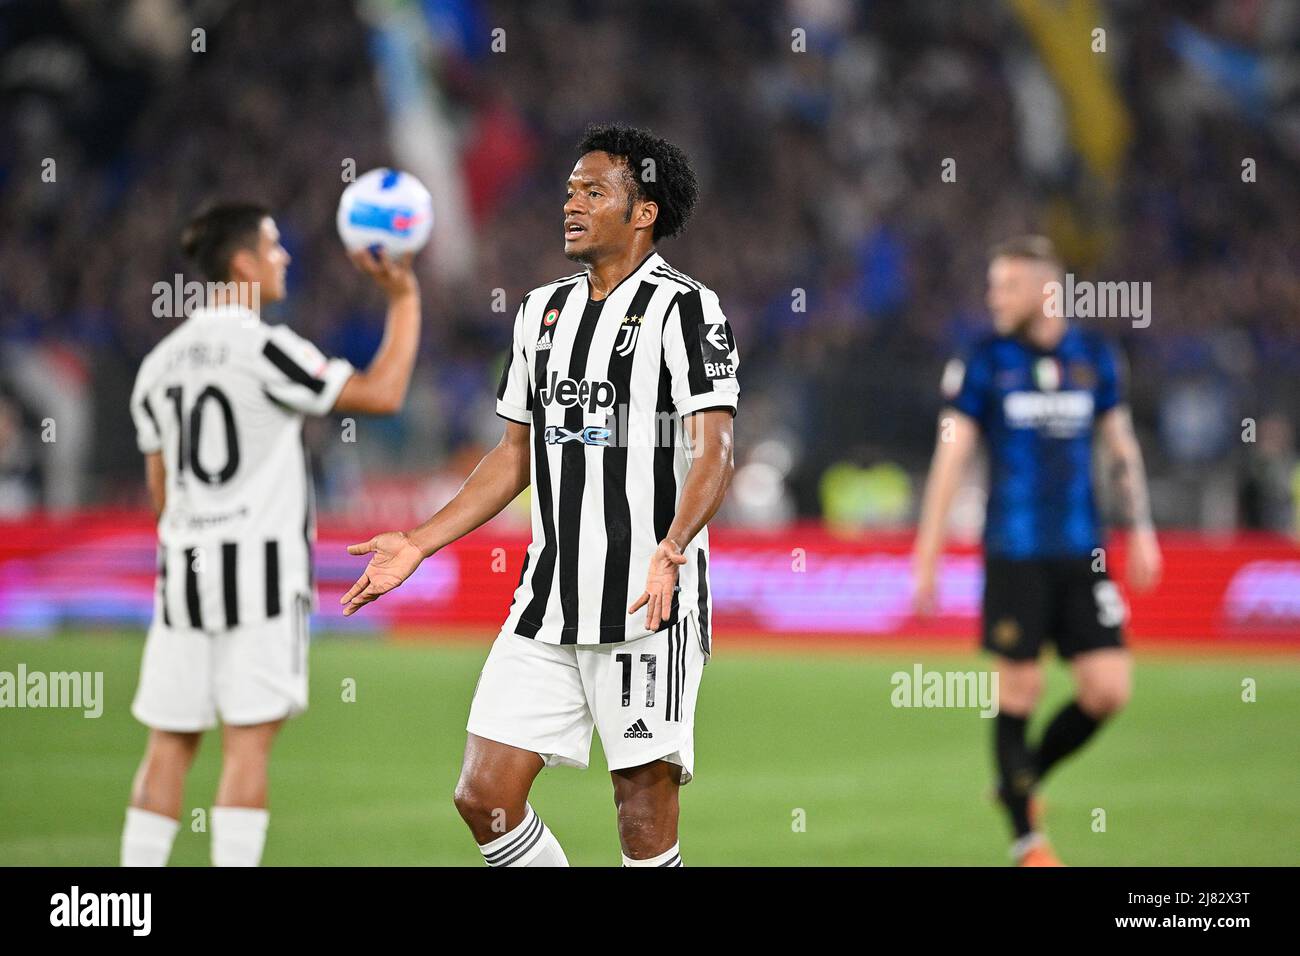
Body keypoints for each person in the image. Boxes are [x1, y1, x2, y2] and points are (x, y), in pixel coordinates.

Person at [341, 124, 739, 867]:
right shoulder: (540, 313)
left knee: (642, 816)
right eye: (569, 191)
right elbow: (513, 454)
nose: (572, 204)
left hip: (644, 601)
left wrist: (672, 546)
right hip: (548, 601)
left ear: (643, 210)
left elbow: (713, 449)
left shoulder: (686, 310)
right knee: (482, 795)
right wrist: (419, 542)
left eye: (594, 191)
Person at [122, 201, 422, 866]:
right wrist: (404, 301)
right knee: (246, 747)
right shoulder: (265, 348)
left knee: (168, 747)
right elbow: (381, 394)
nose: (284, 256)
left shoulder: (157, 367)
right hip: (259, 578)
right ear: (242, 262)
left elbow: (161, 491)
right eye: (274, 245)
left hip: (184, 580)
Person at [913, 235, 1162, 866]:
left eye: (1008, 286)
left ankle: (1017, 782)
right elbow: (951, 460)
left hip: (1084, 553)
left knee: (1108, 690)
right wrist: (928, 554)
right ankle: (1028, 840)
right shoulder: (982, 361)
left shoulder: (1095, 358)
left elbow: (1121, 448)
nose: (995, 297)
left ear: (1046, 290)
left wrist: (1143, 530)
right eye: (993, 285)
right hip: (1014, 553)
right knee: (1018, 690)